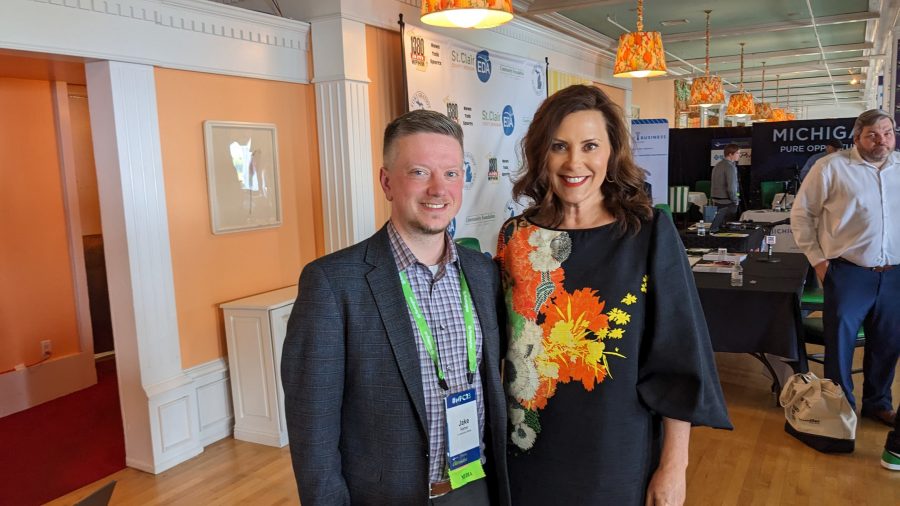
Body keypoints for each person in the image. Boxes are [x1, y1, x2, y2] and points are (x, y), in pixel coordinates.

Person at [496, 84, 731, 506]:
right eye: (559, 146)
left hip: (615, 451)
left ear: (611, 153)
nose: (574, 162)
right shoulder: (516, 237)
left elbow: (679, 358)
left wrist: (674, 467)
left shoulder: (648, 234)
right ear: (540, 154)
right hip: (527, 449)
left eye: (590, 146)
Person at [281, 109, 510, 505]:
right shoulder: (333, 284)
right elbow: (313, 435)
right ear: (387, 182)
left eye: (451, 173)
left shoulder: (483, 272)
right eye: (419, 172)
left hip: (478, 486)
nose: (439, 189)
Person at [791, 108, 900, 427]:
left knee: (888, 342)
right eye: (873, 135)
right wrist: (820, 262)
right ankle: (841, 410)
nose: (882, 140)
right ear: (857, 138)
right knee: (840, 345)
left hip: (894, 274)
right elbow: (801, 216)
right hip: (847, 272)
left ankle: (878, 403)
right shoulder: (830, 168)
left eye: (888, 133)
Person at [709, 143, 741, 230]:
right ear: (730, 154)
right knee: (728, 229)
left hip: (716, 201)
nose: (739, 155)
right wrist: (735, 200)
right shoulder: (730, 167)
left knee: (719, 227)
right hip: (728, 202)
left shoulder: (717, 165)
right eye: (737, 153)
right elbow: (731, 188)